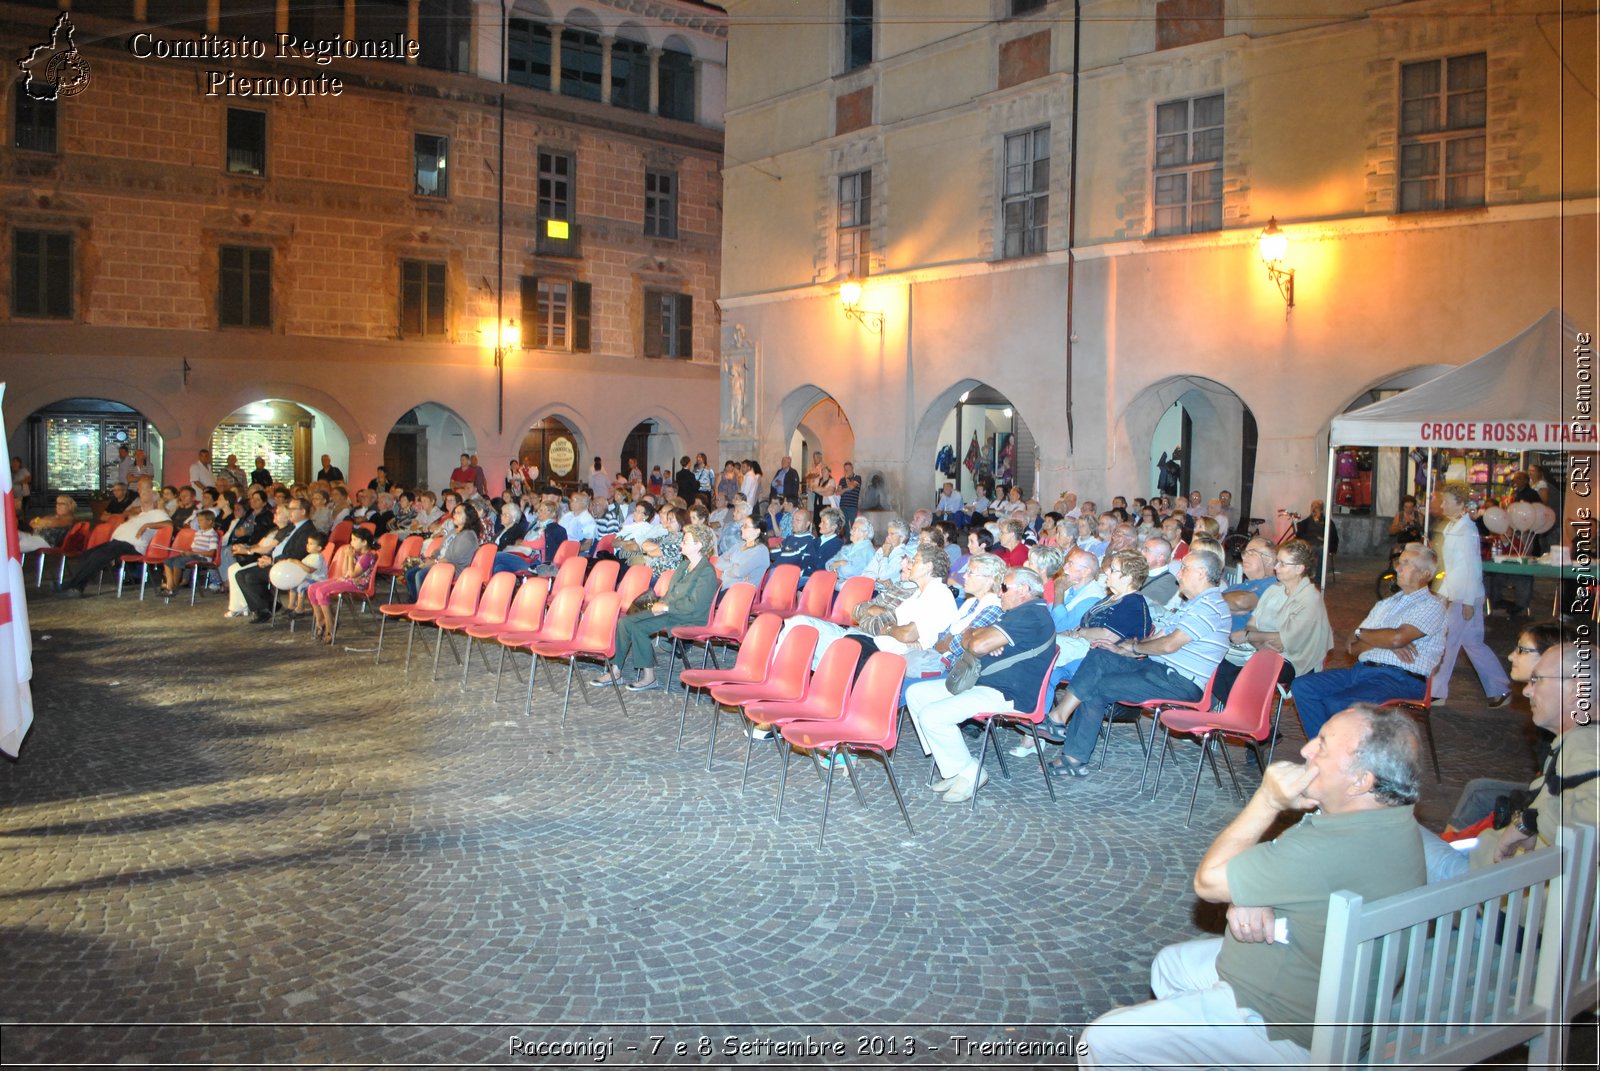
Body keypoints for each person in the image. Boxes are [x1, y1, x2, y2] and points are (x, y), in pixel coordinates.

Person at [1081, 704, 1428, 1068]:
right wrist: (1254, 894)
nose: (1307, 750)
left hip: (1284, 1028)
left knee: (1103, 1041)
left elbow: (1209, 881)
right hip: (1315, 985)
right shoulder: (1388, 822)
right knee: (1170, 965)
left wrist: (1268, 800)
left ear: (1362, 781)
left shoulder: (1329, 849)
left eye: (1323, 745)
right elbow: (1303, 879)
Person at [1038, 549, 1231, 777]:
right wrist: (1123, 649)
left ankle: (1064, 736)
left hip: (1179, 681)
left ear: (1200, 573)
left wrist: (1136, 648)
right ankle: (1064, 734)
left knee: (1096, 686)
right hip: (1158, 668)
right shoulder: (1193, 604)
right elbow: (1158, 639)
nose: (1179, 573)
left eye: (1184, 568)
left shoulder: (1208, 607)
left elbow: (1169, 645)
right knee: (1101, 654)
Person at [903, 567, 1057, 804]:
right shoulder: (1018, 612)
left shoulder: (1030, 615)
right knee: (916, 693)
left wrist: (976, 639)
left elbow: (975, 646)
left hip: (1007, 693)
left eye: (1004, 587)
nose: (1000, 593)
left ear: (1024, 590)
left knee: (933, 715)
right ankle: (955, 769)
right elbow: (972, 637)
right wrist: (975, 635)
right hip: (985, 683)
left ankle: (971, 773)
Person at [1291, 543, 1445, 740]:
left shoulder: (1431, 606)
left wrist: (1382, 638)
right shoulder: (1385, 604)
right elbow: (1352, 645)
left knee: (1337, 703)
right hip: (1361, 671)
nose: (1397, 567)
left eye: (1405, 563)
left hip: (1399, 678)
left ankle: (1336, 758)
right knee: (1303, 686)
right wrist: (1379, 639)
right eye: (1399, 561)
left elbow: (1398, 637)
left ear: (1424, 574)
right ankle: (1325, 752)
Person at [1465, 642, 1598, 867]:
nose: (1527, 690)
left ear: (1577, 690)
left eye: (1537, 680)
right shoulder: (1578, 740)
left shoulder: (1585, 743)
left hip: (1496, 888)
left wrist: (1530, 821)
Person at [595, 523, 719, 691]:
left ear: (699, 545)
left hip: (689, 617)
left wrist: (665, 607)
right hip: (672, 610)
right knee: (625, 623)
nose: (681, 543)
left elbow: (694, 605)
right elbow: (671, 592)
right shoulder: (684, 565)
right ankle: (615, 671)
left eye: (686, 541)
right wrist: (659, 604)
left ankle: (649, 677)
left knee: (638, 627)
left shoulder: (706, 571)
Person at [1215, 538, 1334, 702]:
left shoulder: (1309, 598)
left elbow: (1287, 639)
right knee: (1217, 665)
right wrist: (1260, 642)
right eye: (1277, 562)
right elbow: (1252, 624)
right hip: (1264, 651)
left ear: (1299, 568)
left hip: (1296, 659)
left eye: (1283, 564)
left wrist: (1249, 636)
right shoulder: (1275, 590)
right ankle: (1244, 720)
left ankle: (1250, 721)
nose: (1276, 567)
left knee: (1244, 675)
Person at [1430, 483, 1511, 706]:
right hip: (1461, 594)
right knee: (1473, 644)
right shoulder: (1452, 528)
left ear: (1461, 504)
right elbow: (1454, 568)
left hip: (1465, 596)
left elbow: (1472, 568)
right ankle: (1500, 689)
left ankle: (1437, 691)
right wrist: (1444, 593)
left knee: (1448, 642)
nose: (1442, 504)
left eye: (1447, 501)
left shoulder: (1466, 530)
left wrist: (1466, 601)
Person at [55, 496, 171, 596]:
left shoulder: (158, 513)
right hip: (118, 542)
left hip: (132, 544)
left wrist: (147, 525)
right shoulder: (141, 514)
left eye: (147, 501)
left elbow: (169, 524)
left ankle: (74, 587)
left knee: (97, 556)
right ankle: (74, 585)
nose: (143, 503)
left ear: (155, 503)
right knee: (87, 554)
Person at [236, 497, 320, 622]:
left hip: (292, 567)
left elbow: (296, 554)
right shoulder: (293, 527)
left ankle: (266, 609)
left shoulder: (307, 530)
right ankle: (268, 607)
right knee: (240, 574)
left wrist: (272, 561)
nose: (289, 511)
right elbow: (281, 548)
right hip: (279, 563)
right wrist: (268, 558)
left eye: (292, 509)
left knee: (250, 577)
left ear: (302, 511)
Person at [307, 528, 378, 643]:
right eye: (351, 539)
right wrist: (347, 556)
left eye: (355, 540)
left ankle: (330, 625)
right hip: (347, 580)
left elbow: (353, 575)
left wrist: (350, 557)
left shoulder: (367, 557)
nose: (351, 543)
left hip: (357, 584)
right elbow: (345, 571)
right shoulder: (357, 554)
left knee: (321, 591)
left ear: (364, 542)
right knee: (312, 588)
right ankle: (320, 619)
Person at [405, 503, 480, 601]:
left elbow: (453, 558)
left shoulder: (468, 535)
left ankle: (423, 607)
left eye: (459, 513)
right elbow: (440, 549)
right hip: (439, 563)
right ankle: (415, 602)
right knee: (410, 574)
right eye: (454, 513)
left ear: (468, 516)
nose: (454, 515)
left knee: (420, 575)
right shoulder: (453, 531)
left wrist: (433, 562)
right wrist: (431, 557)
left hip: (452, 569)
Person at [160, 508, 221, 596]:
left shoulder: (213, 534)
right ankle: (170, 585)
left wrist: (192, 553)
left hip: (203, 558)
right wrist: (186, 552)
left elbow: (211, 553)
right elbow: (193, 549)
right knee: (167, 561)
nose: (199, 523)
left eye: (201, 521)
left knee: (178, 562)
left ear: (209, 521)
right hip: (194, 555)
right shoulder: (198, 533)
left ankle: (173, 588)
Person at [280, 532, 329, 615]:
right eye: (308, 543)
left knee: (301, 587)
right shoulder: (310, 556)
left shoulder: (318, 558)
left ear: (319, 548)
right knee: (294, 584)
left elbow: (309, 570)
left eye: (311, 544)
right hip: (309, 577)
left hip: (318, 579)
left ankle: (300, 608)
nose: (307, 545)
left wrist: (297, 562)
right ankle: (291, 605)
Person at [718, 514, 770, 590]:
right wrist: (733, 566)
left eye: (745, 526)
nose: (741, 528)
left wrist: (727, 568)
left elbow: (739, 572)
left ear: (757, 531)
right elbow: (719, 562)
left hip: (741, 592)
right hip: (725, 586)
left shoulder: (761, 551)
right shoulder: (739, 545)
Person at [837, 461, 862, 527]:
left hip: (852, 506)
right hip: (842, 506)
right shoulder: (842, 480)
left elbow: (851, 486)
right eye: (846, 469)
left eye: (848, 469)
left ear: (852, 468)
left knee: (852, 526)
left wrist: (847, 478)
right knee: (844, 526)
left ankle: (851, 537)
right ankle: (846, 537)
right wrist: (845, 489)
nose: (847, 471)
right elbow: (838, 492)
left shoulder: (857, 478)